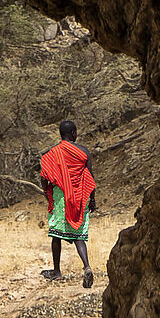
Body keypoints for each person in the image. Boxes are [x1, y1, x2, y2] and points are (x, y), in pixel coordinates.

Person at [37, 118, 96, 285]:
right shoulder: (83, 152)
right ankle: (87, 267)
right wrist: (92, 199)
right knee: (79, 235)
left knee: (56, 234)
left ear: (61, 134)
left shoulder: (52, 153)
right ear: (73, 133)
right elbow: (90, 176)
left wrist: (46, 192)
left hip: (60, 198)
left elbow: (43, 176)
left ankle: (56, 271)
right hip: (80, 197)